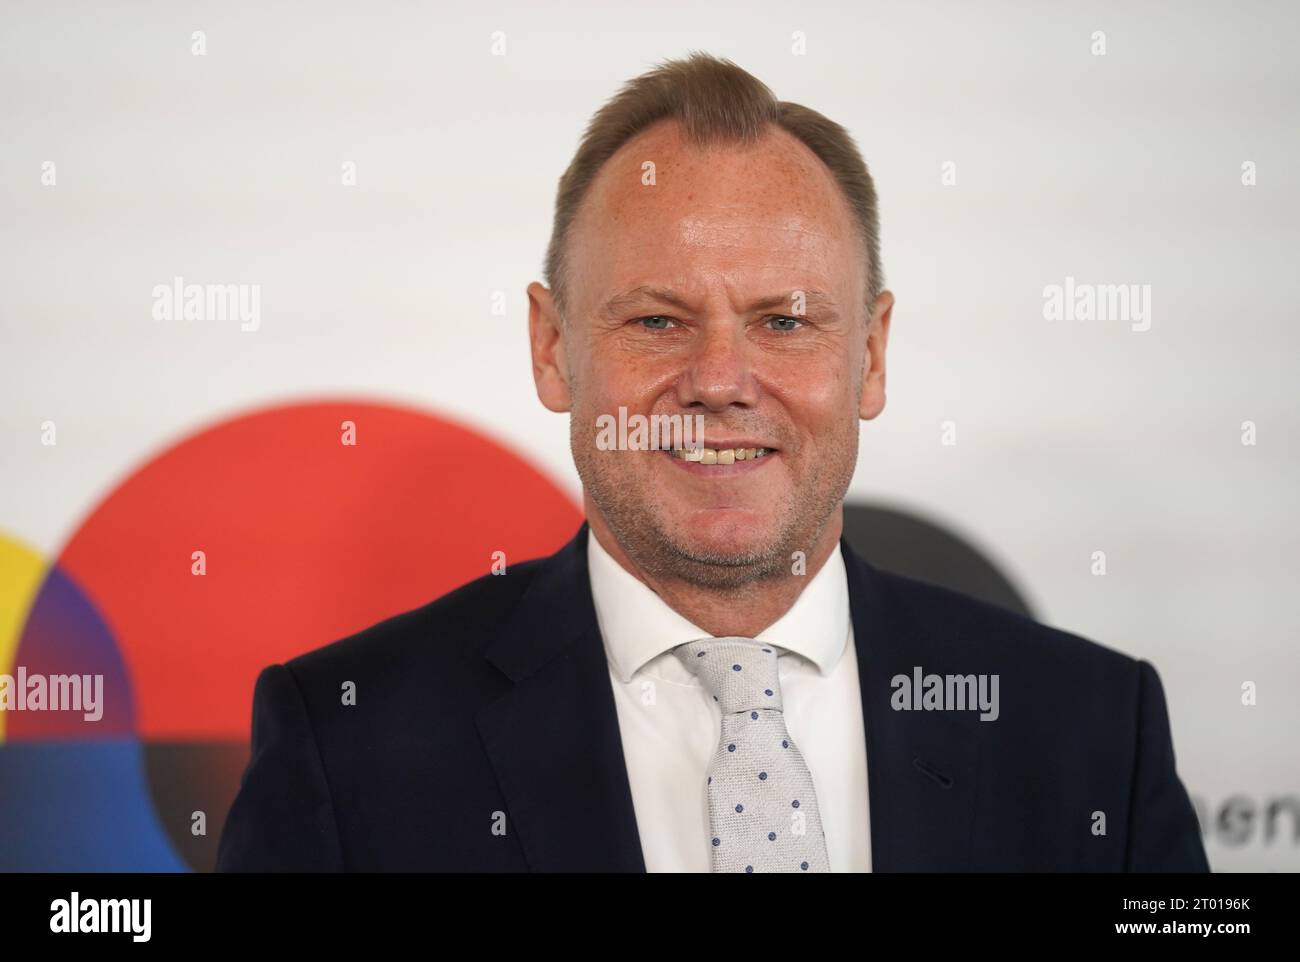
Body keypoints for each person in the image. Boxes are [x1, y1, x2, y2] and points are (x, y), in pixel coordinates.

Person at [216, 51, 1208, 872]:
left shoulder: (1088, 731)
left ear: (869, 355)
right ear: (552, 348)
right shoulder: (346, 744)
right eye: (657, 319)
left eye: (785, 320)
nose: (721, 380)